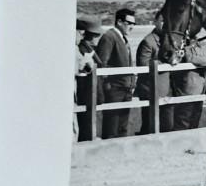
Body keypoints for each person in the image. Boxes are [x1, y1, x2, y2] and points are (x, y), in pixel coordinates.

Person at [95, 8, 137, 138]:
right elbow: (102, 63)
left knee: (122, 128)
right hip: (114, 90)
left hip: (126, 89)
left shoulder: (123, 38)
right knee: (111, 128)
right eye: (129, 23)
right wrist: (108, 86)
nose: (132, 27)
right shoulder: (109, 37)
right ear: (119, 22)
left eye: (133, 24)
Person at [135, 15, 174, 134]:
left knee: (167, 126)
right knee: (149, 125)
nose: (165, 24)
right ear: (155, 22)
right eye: (162, 21)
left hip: (166, 90)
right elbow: (144, 65)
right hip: (150, 91)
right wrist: (167, 63)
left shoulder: (169, 40)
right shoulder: (148, 41)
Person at [171, 36, 206, 131]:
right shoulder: (182, 44)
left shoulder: (200, 44)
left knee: (195, 119)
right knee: (183, 120)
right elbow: (190, 58)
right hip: (187, 89)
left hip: (200, 88)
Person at [74, 17, 104, 140]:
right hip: (86, 96)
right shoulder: (82, 49)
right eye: (97, 35)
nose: (98, 38)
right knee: (86, 127)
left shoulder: (89, 48)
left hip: (92, 95)